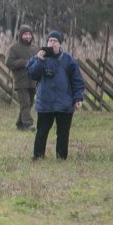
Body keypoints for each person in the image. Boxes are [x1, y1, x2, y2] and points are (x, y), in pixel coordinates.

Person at [27, 30, 85, 161]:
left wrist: (78, 98)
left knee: (63, 133)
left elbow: (77, 80)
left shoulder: (68, 60)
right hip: (45, 102)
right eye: (50, 41)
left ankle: (61, 157)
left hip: (64, 103)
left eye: (55, 41)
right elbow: (32, 74)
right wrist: (39, 60)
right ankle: (38, 156)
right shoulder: (39, 58)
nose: (52, 43)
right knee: (41, 131)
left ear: (60, 44)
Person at [5, 24, 37, 132]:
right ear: (20, 35)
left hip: (33, 80)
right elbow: (9, 62)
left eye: (29, 34)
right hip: (21, 81)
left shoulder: (35, 48)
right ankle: (28, 124)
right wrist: (24, 62)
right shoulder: (14, 48)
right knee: (25, 103)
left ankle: (20, 124)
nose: (28, 36)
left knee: (30, 103)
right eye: (25, 34)